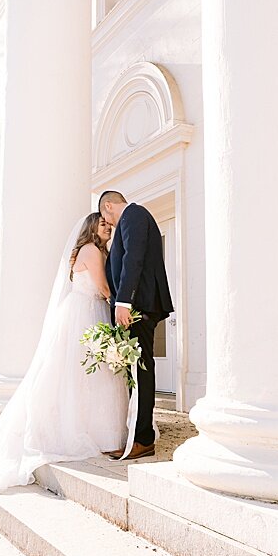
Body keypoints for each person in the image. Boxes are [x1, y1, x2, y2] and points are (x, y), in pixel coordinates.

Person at [0, 213, 128, 511]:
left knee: (84, 375)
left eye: (107, 223)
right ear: (91, 227)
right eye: (101, 223)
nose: (107, 226)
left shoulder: (90, 250)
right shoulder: (91, 250)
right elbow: (103, 290)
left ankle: (95, 428)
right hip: (87, 312)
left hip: (80, 312)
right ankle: (95, 432)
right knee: (90, 374)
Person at [98, 190, 174, 460]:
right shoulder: (132, 217)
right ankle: (138, 436)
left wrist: (124, 302)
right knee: (135, 372)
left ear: (109, 205)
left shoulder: (134, 214)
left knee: (140, 372)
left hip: (138, 306)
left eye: (106, 218)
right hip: (136, 306)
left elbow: (134, 257)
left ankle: (142, 439)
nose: (108, 224)